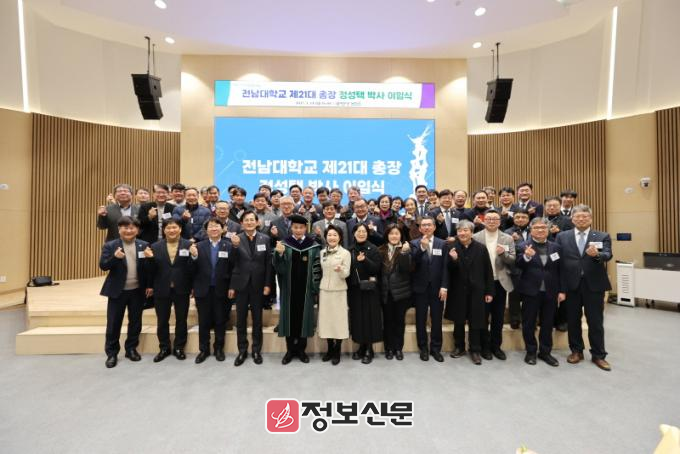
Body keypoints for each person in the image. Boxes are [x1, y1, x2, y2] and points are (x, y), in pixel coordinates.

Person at [555, 204, 613, 371]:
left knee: (595, 321)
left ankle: (599, 355)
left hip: (593, 286)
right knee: (573, 320)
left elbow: (608, 254)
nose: (581, 219)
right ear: (572, 219)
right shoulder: (562, 236)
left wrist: (598, 254)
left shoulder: (602, 236)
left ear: (591, 219)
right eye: (577, 217)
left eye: (585, 217)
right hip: (571, 285)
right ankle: (576, 351)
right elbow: (558, 260)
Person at [99, 216, 151, 368]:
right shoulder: (110, 245)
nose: (129, 230)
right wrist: (115, 258)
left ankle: (131, 349)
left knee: (135, 322)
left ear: (137, 230)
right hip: (117, 291)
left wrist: (149, 284)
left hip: (137, 290)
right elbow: (103, 266)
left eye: (132, 227)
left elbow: (148, 269)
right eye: (125, 228)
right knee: (114, 323)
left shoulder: (144, 245)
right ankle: (112, 353)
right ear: (119, 229)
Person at [274, 214, 322, 364]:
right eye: (295, 227)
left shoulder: (313, 245)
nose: (298, 230)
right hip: (289, 290)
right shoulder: (284, 244)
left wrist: (314, 289)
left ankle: (301, 350)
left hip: (306, 291)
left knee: (304, 320)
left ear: (305, 229)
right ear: (291, 228)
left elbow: (317, 268)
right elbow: (279, 269)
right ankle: (290, 351)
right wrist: (279, 254)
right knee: (289, 320)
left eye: (301, 227)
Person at [445, 220, 494, 365]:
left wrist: (489, 292)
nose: (462, 233)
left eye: (465, 230)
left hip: (477, 291)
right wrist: (453, 260)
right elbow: (447, 270)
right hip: (457, 291)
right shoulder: (451, 247)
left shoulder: (481, 248)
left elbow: (488, 271)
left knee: (476, 321)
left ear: (472, 232)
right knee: (458, 321)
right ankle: (459, 347)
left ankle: (475, 350)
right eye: (459, 230)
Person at [515, 217, 563, 367]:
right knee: (529, 323)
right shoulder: (522, 246)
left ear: (548, 230)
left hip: (551, 291)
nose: (540, 230)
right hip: (530, 291)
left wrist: (562, 291)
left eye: (543, 227)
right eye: (537, 228)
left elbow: (561, 270)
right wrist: (527, 256)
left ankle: (545, 352)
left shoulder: (556, 247)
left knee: (547, 323)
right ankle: (531, 351)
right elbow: (517, 265)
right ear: (531, 230)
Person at [145, 219, 194, 362]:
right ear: (164, 230)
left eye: (174, 227)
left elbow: (193, 269)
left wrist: (193, 286)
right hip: (161, 288)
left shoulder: (188, 245)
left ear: (180, 229)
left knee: (181, 319)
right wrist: (149, 260)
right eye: (168, 228)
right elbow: (150, 270)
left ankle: (179, 347)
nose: (172, 230)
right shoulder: (155, 246)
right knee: (162, 320)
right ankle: (164, 348)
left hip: (182, 288)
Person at [229, 211, 273, 366]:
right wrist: (234, 247)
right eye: (246, 220)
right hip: (241, 285)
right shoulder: (236, 239)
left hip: (258, 285)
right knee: (241, 320)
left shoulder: (265, 239)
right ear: (241, 223)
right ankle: (242, 350)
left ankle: (256, 350)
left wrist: (267, 284)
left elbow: (268, 264)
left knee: (257, 319)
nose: (249, 222)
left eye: (252, 220)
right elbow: (231, 263)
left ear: (257, 222)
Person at [473, 209, 516, 361]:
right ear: (483, 221)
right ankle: (484, 347)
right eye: (489, 219)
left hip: (500, 282)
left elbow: (512, 260)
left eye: (495, 219)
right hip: (482, 283)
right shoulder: (476, 237)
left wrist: (503, 254)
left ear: (500, 221)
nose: (491, 221)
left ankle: (496, 346)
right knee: (483, 317)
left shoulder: (507, 238)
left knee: (498, 317)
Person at [191, 218, 234, 363]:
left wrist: (232, 287)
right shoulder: (198, 246)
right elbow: (190, 269)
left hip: (222, 289)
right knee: (203, 321)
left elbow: (233, 269)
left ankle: (219, 349)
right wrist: (194, 256)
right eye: (211, 226)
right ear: (206, 230)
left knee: (220, 320)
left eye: (217, 226)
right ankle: (203, 350)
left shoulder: (229, 246)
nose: (214, 228)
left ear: (223, 229)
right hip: (202, 289)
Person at [410, 216, 449, 362]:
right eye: (423, 225)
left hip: (437, 288)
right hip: (420, 288)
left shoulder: (442, 243)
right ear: (420, 228)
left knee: (437, 320)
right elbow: (413, 263)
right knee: (420, 319)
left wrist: (444, 286)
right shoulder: (414, 243)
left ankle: (436, 348)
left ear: (434, 227)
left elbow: (445, 267)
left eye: (429, 225)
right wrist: (422, 248)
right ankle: (423, 349)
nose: (426, 227)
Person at [348, 223, 383, 364]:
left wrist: (365, 260)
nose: (361, 234)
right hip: (355, 290)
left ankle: (369, 349)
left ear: (367, 234)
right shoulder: (350, 249)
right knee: (358, 318)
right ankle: (361, 346)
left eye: (364, 231)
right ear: (354, 233)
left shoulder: (373, 248)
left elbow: (377, 269)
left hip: (370, 290)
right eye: (358, 231)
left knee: (369, 319)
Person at [317, 225, 351, 365]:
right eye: (329, 235)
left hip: (339, 291)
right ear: (326, 237)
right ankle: (329, 348)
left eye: (335, 235)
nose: (332, 237)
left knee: (338, 322)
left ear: (340, 237)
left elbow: (346, 273)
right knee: (326, 321)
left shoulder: (345, 253)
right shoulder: (322, 252)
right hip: (325, 290)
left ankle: (337, 350)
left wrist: (341, 270)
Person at [378, 224, 412, 361]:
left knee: (399, 322)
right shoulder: (380, 250)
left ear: (401, 235)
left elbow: (406, 269)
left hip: (401, 293)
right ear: (387, 235)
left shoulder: (406, 249)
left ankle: (398, 348)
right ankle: (389, 348)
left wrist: (404, 253)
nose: (394, 236)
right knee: (387, 322)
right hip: (386, 292)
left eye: (397, 233)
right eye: (391, 233)